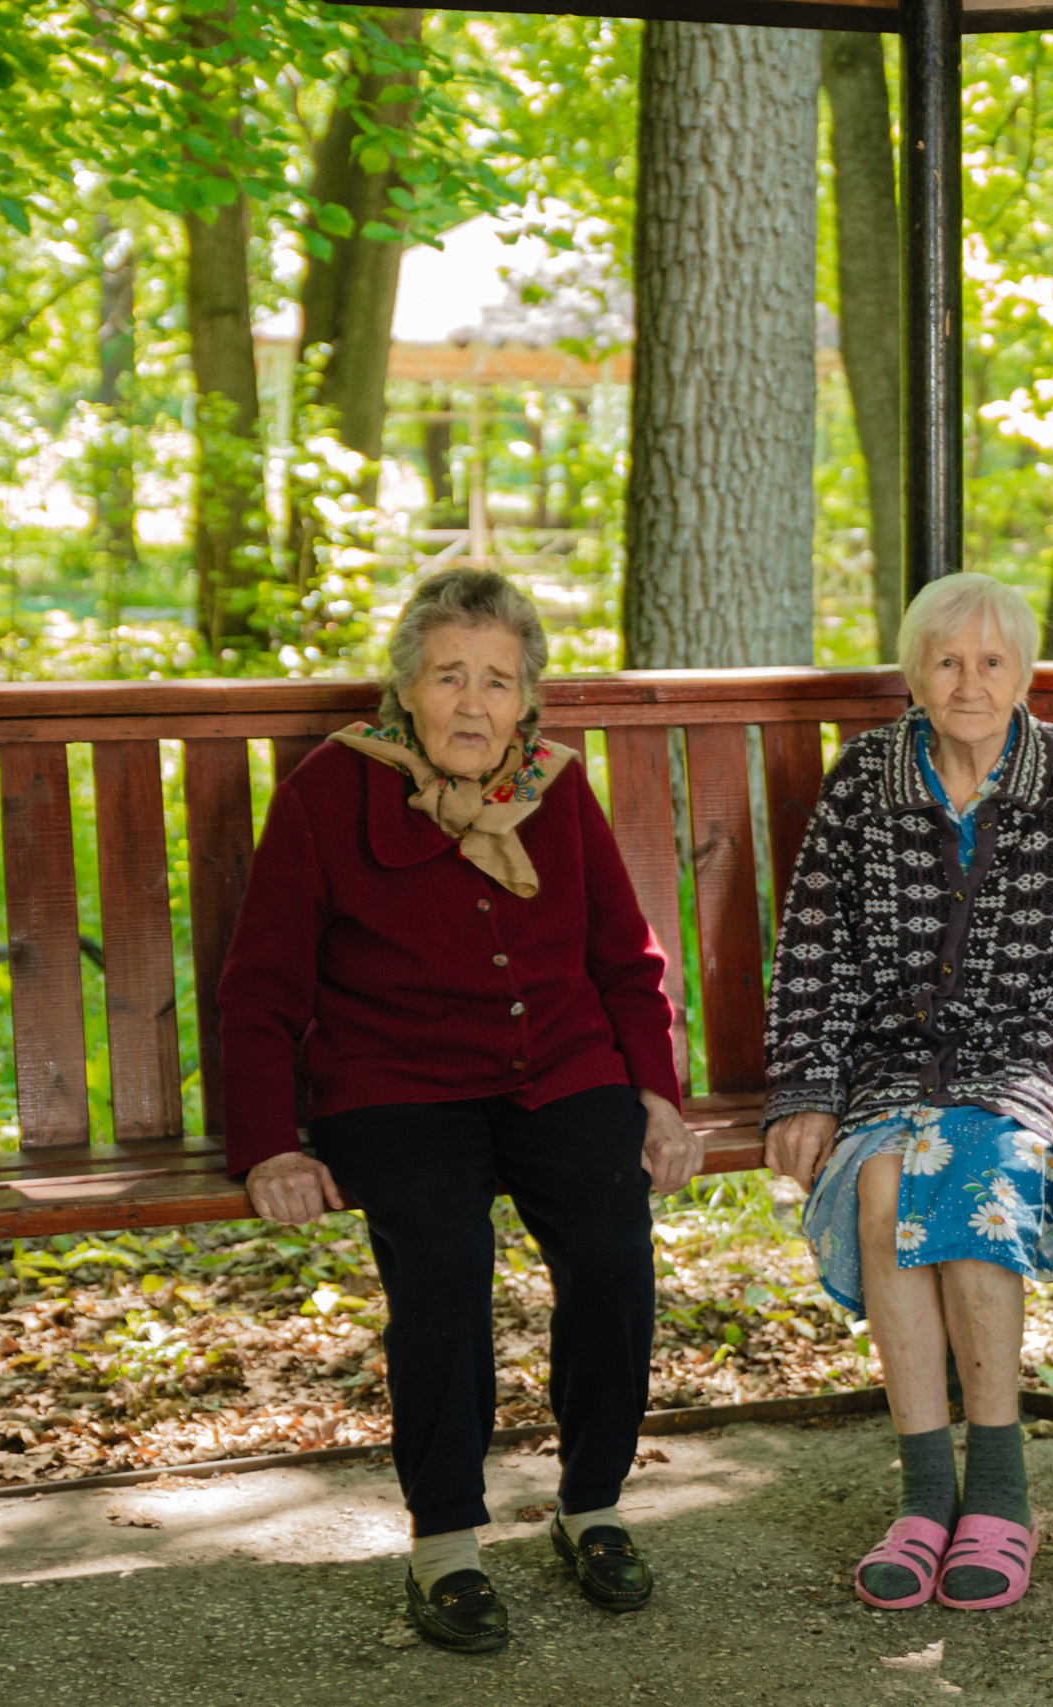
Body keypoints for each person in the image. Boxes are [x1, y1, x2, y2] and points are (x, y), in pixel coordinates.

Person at [219, 566, 700, 1656]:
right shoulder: (330, 794)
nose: (473, 704)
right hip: (396, 1083)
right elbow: (262, 987)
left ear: (528, 698)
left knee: (612, 1240)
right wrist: (266, 1146)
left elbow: (625, 961)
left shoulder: (556, 786)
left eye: (498, 679)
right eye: (449, 677)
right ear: (407, 691)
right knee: (441, 1254)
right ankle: (445, 1541)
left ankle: (594, 1505)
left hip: (559, 1068)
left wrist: (657, 1098)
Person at [762, 571, 1053, 1613]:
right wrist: (804, 1086)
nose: (969, 682)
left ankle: (1001, 1496)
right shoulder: (865, 777)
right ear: (914, 674)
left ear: (1023, 673)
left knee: (969, 1179)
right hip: (889, 1060)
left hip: (1020, 1057)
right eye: (946, 661)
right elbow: (813, 948)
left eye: (991, 661)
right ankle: (928, 1499)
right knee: (883, 1182)